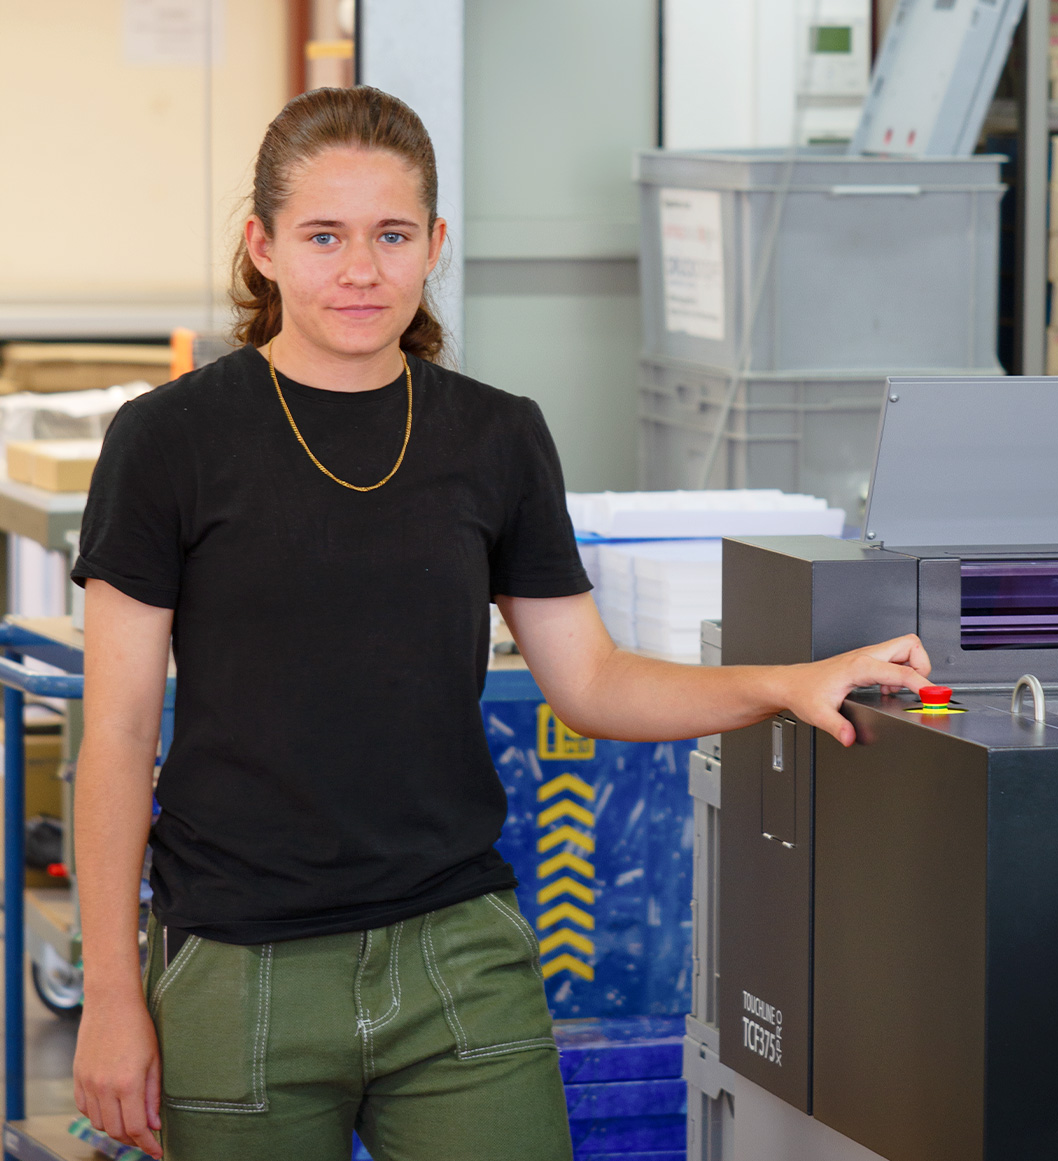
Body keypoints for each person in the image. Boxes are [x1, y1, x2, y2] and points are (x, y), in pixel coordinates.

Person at [69, 86, 931, 1161]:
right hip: (240, 967)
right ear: (263, 248)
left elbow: (593, 682)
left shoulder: (496, 437)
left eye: (392, 235)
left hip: (457, 953)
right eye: (324, 235)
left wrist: (786, 683)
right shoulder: (168, 441)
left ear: (434, 245)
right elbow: (116, 736)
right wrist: (112, 993)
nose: (360, 268)